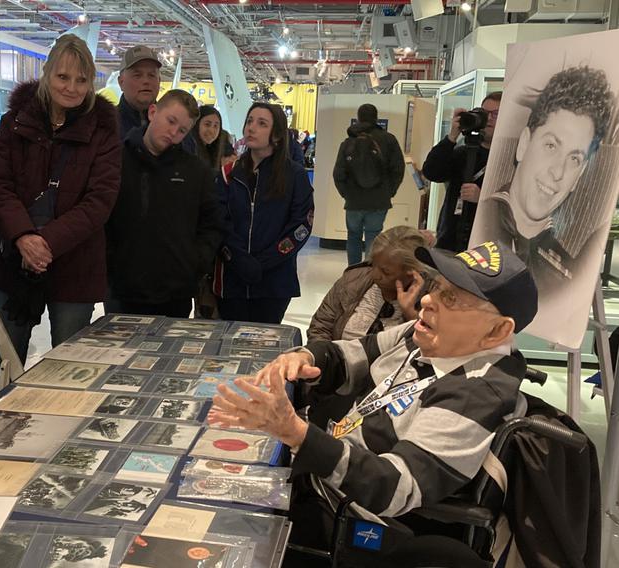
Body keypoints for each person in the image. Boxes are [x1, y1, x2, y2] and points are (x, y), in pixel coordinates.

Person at [209, 240, 538, 551]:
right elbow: (353, 354)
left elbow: (393, 488)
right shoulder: (423, 333)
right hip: (325, 471)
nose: (426, 300)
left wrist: (296, 434)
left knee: (217, 523)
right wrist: (307, 358)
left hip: (355, 519)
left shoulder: (475, 396)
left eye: (452, 298)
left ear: (497, 331)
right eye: (437, 286)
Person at [0, 34, 120, 369]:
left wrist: (45, 243)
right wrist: (24, 238)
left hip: (76, 265)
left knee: (68, 369)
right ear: (47, 74)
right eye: (63, 77)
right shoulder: (14, 123)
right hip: (16, 262)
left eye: (81, 80)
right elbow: (0, 186)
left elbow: (99, 201)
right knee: (7, 366)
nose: (72, 88)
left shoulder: (103, 131)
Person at [481, 66, 613, 293]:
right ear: (523, 145)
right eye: (551, 145)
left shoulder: (564, 270)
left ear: (579, 175)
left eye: (574, 159)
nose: (558, 172)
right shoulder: (484, 229)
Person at [106, 89, 223, 317]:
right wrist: (109, 263)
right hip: (121, 289)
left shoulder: (196, 171)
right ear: (152, 112)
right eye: (170, 121)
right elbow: (101, 215)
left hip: (175, 293)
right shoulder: (115, 160)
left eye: (182, 130)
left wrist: (194, 262)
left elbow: (212, 223)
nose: (173, 133)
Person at [213, 102, 314, 324]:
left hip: (275, 282)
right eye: (249, 121)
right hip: (232, 279)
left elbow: (301, 225)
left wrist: (265, 262)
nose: (251, 128)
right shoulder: (228, 174)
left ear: (276, 134)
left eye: (261, 123)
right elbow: (218, 220)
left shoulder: (295, 176)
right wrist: (236, 258)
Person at [307, 225, 428, 343]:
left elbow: (428, 352)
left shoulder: (430, 299)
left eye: (386, 272)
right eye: (373, 264)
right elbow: (319, 327)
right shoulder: (353, 280)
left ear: (412, 273)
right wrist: (326, 358)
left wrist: (411, 314)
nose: (375, 274)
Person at [423, 92, 501, 253]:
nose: (489, 119)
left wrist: (483, 198)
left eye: (496, 114)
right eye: (485, 113)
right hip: (450, 239)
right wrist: (452, 136)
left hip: (486, 245)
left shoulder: (510, 160)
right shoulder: (463, 152)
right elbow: (432, 172)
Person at [333, 103, 405, 265]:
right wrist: (389, 192)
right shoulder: (389, 140)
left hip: (353, 201)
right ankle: (370, 273)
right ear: (376, 118)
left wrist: (347, 194)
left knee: (353, 236)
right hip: (379, 199)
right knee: (374, 235)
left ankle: (353, 272)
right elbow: (398, 169)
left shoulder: (348, 143)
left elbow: (338, 173)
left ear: (358, 118)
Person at [116, 45, 161, 140]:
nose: (146, 81)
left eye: (152, 75)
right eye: (137, 75)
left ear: (159, 81)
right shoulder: (103, 125)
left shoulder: (174, 127)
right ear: (121, 82)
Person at [191, 105, 235, 172]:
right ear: (197, 124)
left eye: (216, 126)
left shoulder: (221, 142)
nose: (212, 131)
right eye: (207, 124)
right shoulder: (189, 146)